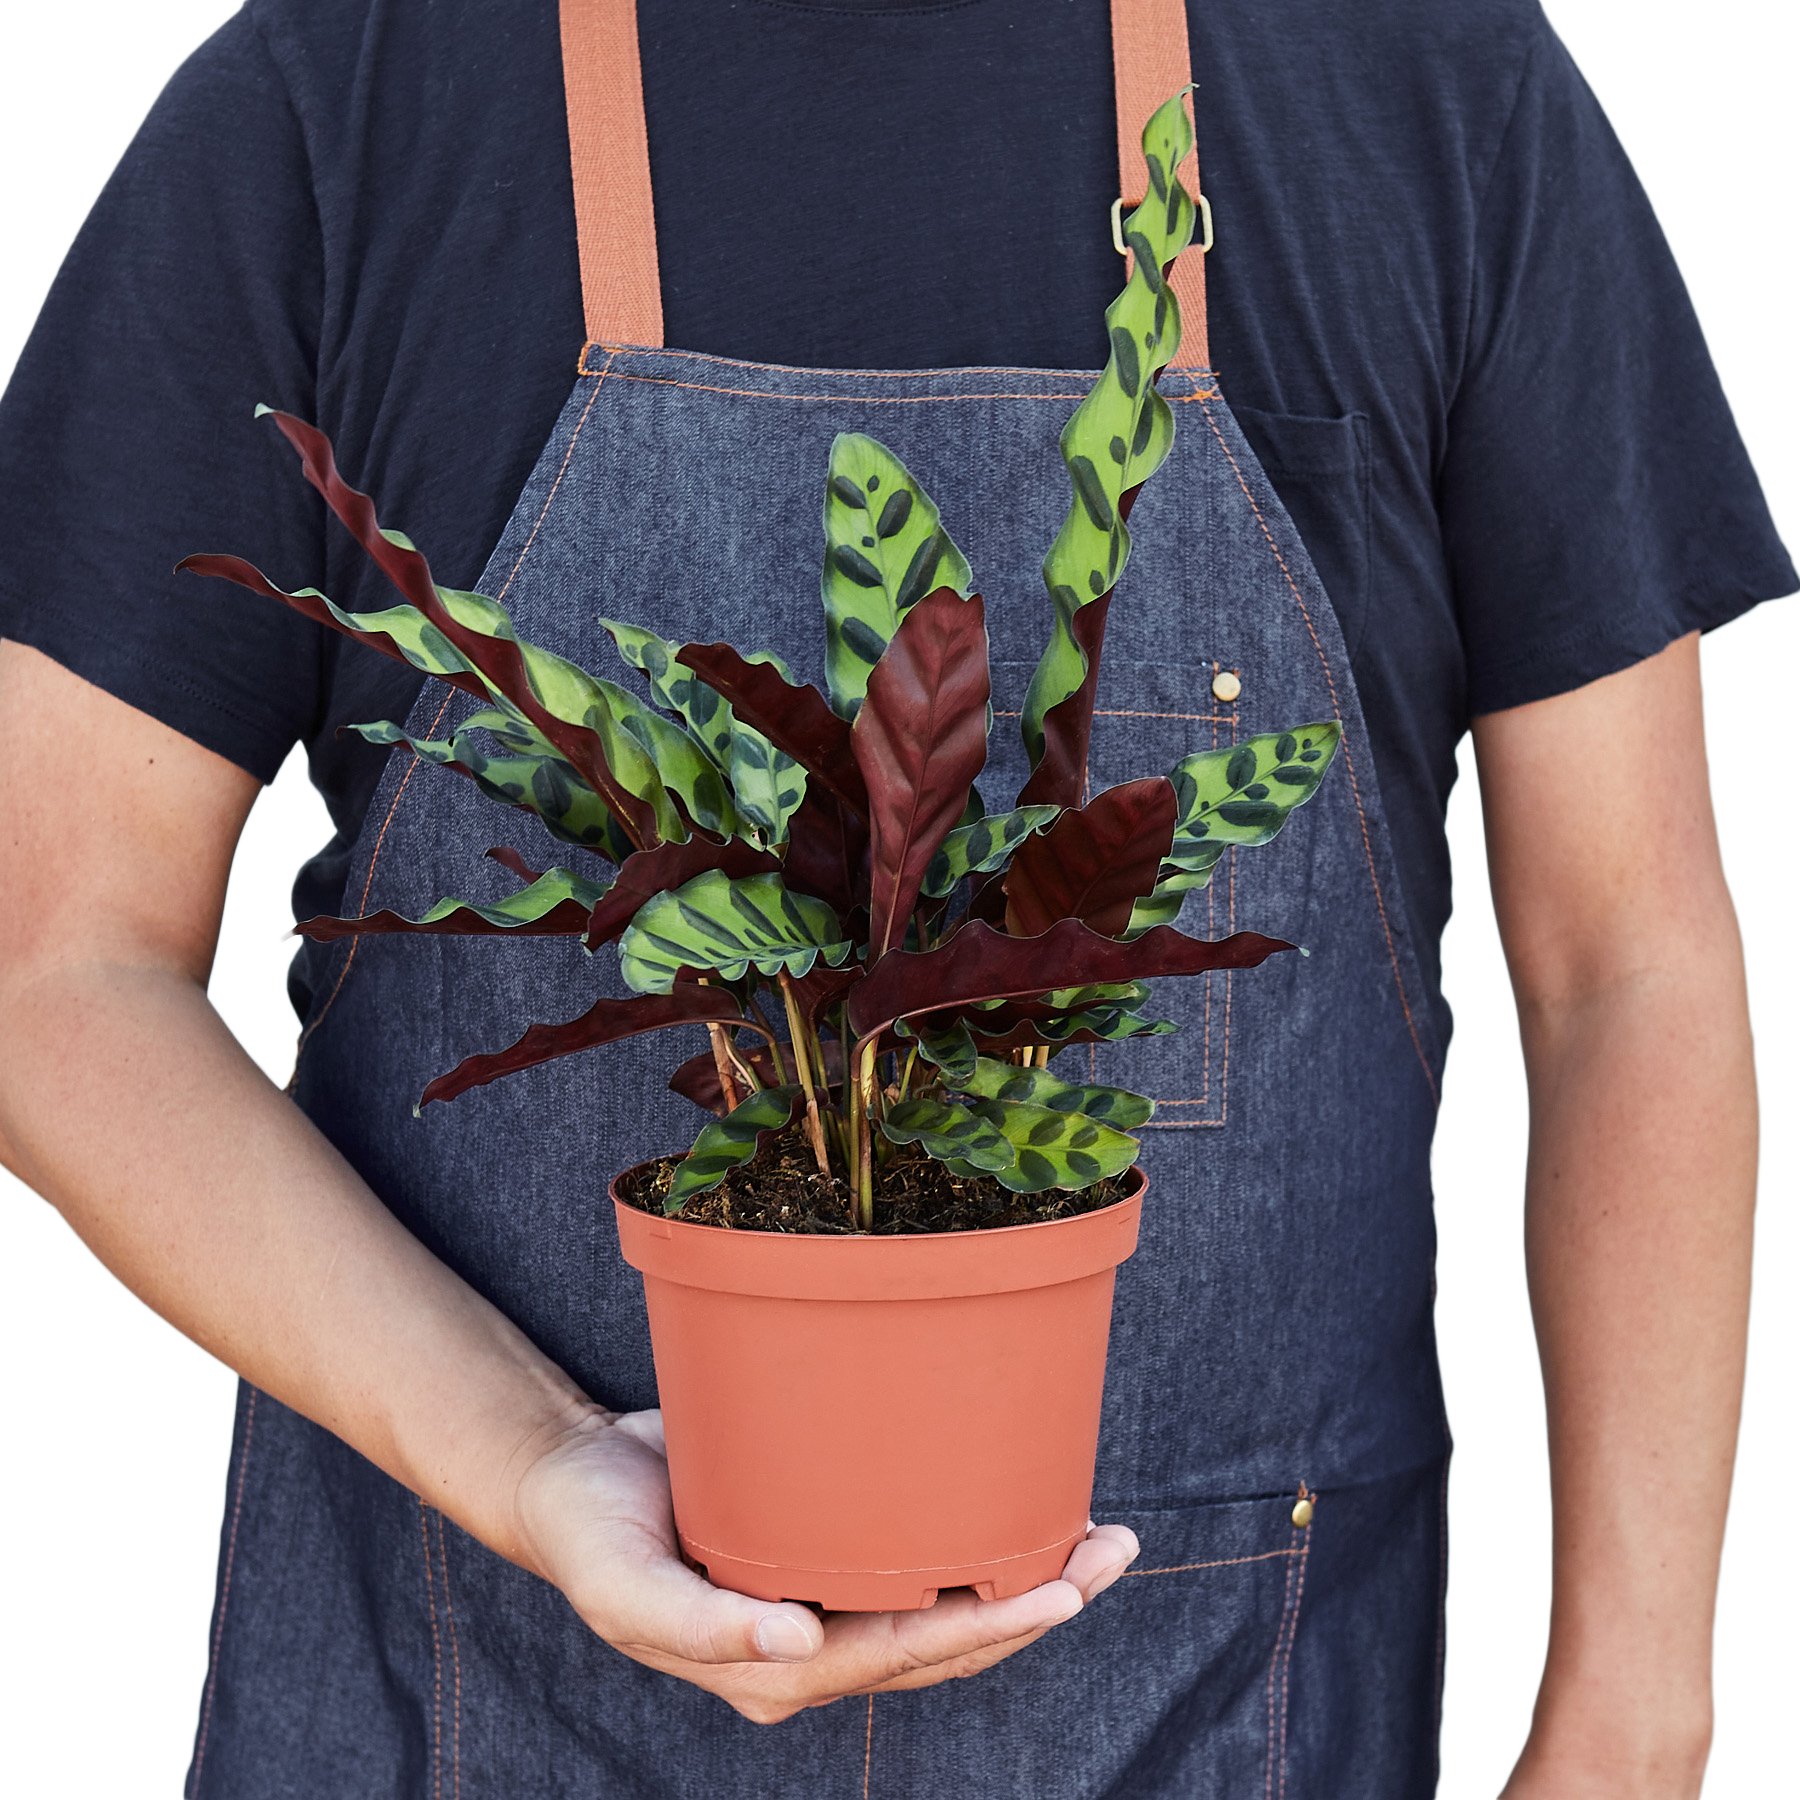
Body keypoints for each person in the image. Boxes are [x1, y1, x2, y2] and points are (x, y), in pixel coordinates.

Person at [0, 0, 1789, 1792]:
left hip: (1225, 1711)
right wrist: (532, 1459)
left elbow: (1624, 958)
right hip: (466, 1710)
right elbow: (50, 964)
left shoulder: (1422, 84)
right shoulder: (344, 101)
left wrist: (1634, 1728)